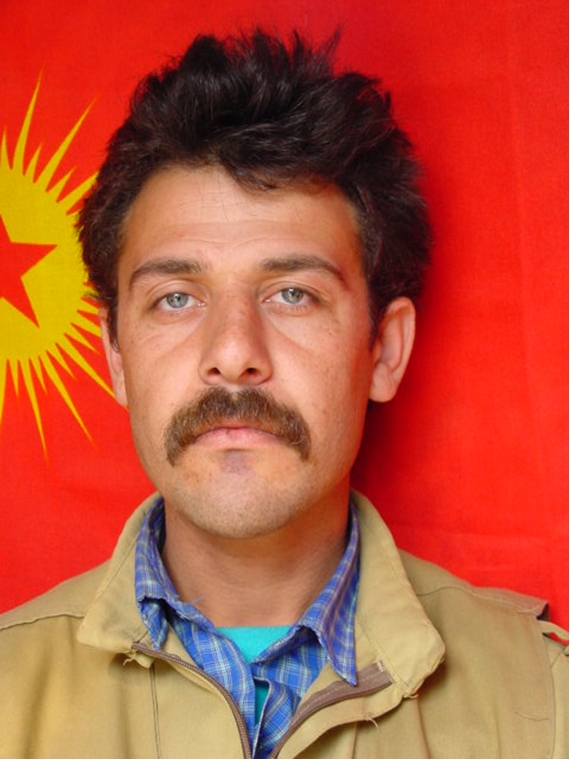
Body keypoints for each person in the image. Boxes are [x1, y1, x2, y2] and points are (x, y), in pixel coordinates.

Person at [0, 29, 567, 760]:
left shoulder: (548, 704)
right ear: (115, 356)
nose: (233, 354)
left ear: (384, 350)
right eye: (176, 299)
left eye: (292, 294)